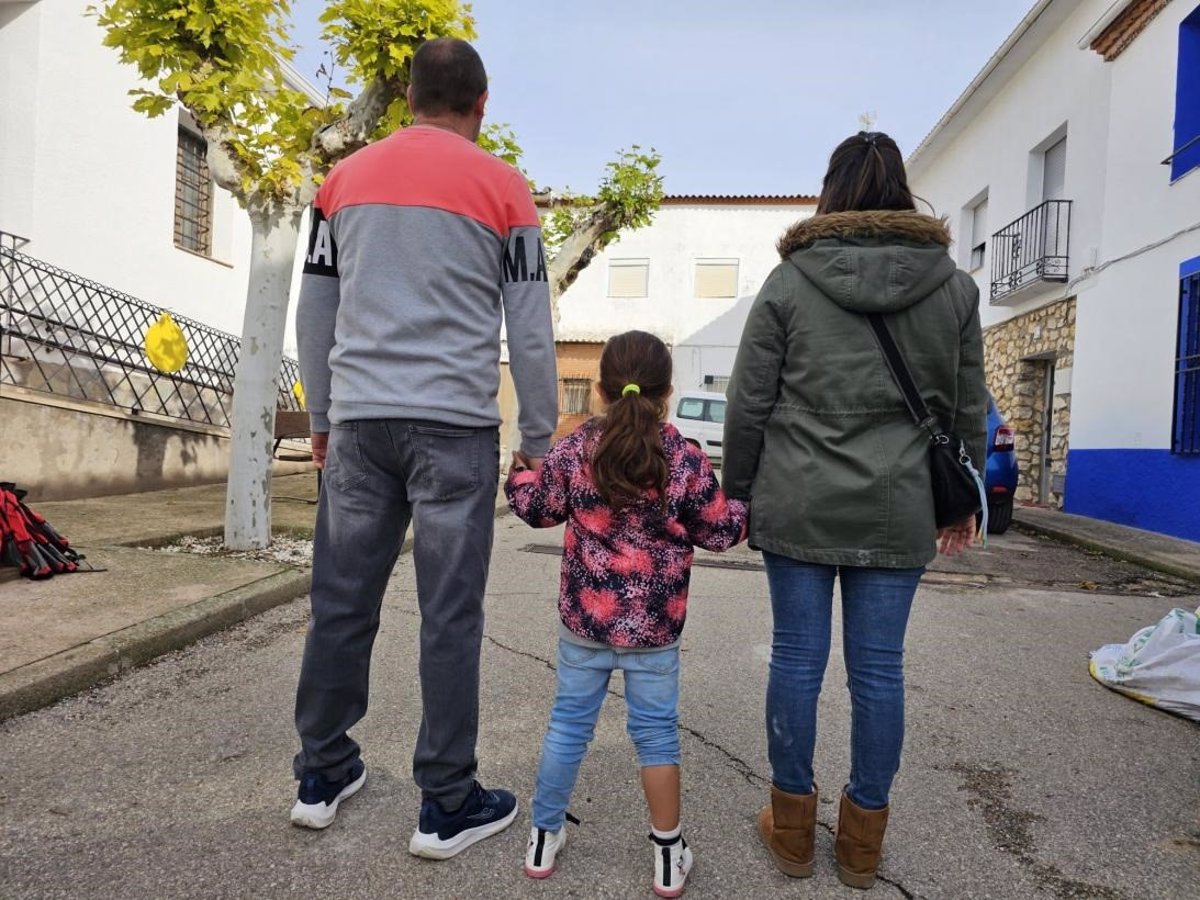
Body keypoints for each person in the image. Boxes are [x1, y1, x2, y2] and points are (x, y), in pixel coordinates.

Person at [290, 37, 558, 861]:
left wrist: (322, 421)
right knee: (449, 617)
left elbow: (315, 311)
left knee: (341, 602)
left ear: (407, 99)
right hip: (454, 428)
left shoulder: (344, 183)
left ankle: (322, 774)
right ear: (482, 105)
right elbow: (532, 331)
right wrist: (537, 441)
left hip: (363, 425)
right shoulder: (505, 189)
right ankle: (445, 803)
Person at [722, 132, 986, 890]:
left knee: (797, 662)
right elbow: (968, 403)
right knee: (879, 671)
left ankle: (795, 831)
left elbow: (749, 402)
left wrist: (738, 493)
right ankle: (863, 846)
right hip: (898, 506)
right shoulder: (954, 288)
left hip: (798, 500)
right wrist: (961, 502)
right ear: (904, 190)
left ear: (830, 191)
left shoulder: (788, 283)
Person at [506, 331, 749, 898]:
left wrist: (519, 475)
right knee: (657, 736)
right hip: (656, 632)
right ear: (667, 392)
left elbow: (539, 510)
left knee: (569, 726)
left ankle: (543, 839)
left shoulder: (574, 449)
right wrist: (748, 506)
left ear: (599, 389)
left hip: (584, 624)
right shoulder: (683, 457)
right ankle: (668, 855)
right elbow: (719, 529)